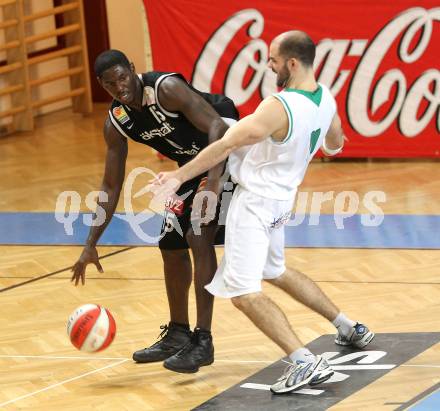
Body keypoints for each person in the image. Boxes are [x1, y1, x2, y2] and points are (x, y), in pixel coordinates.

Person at [153, 31, 374, 393]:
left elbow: (224, 147)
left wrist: (177, 175)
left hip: (255, 203)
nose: (268, 64)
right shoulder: (326, 97)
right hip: (282, 200)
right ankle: (349, 327)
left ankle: (304, 362)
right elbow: (335, 143)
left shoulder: (279, 106)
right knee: (276, 270)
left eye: (272, 59)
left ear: (291, 63)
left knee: (242, 293)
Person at [70, 50, 239, 373]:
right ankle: (178, 333)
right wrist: (91, 242)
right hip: (192, 166)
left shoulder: (165, 89)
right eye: (110, 84)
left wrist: (214, 182)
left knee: (197, 233)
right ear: (102, 86)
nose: (119, 87)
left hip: (230, 149)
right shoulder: (117, 120)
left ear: (133, 69)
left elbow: (218, 126)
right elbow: (110, 186)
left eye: (123, 77)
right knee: (171, 244)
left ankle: (203, 340)